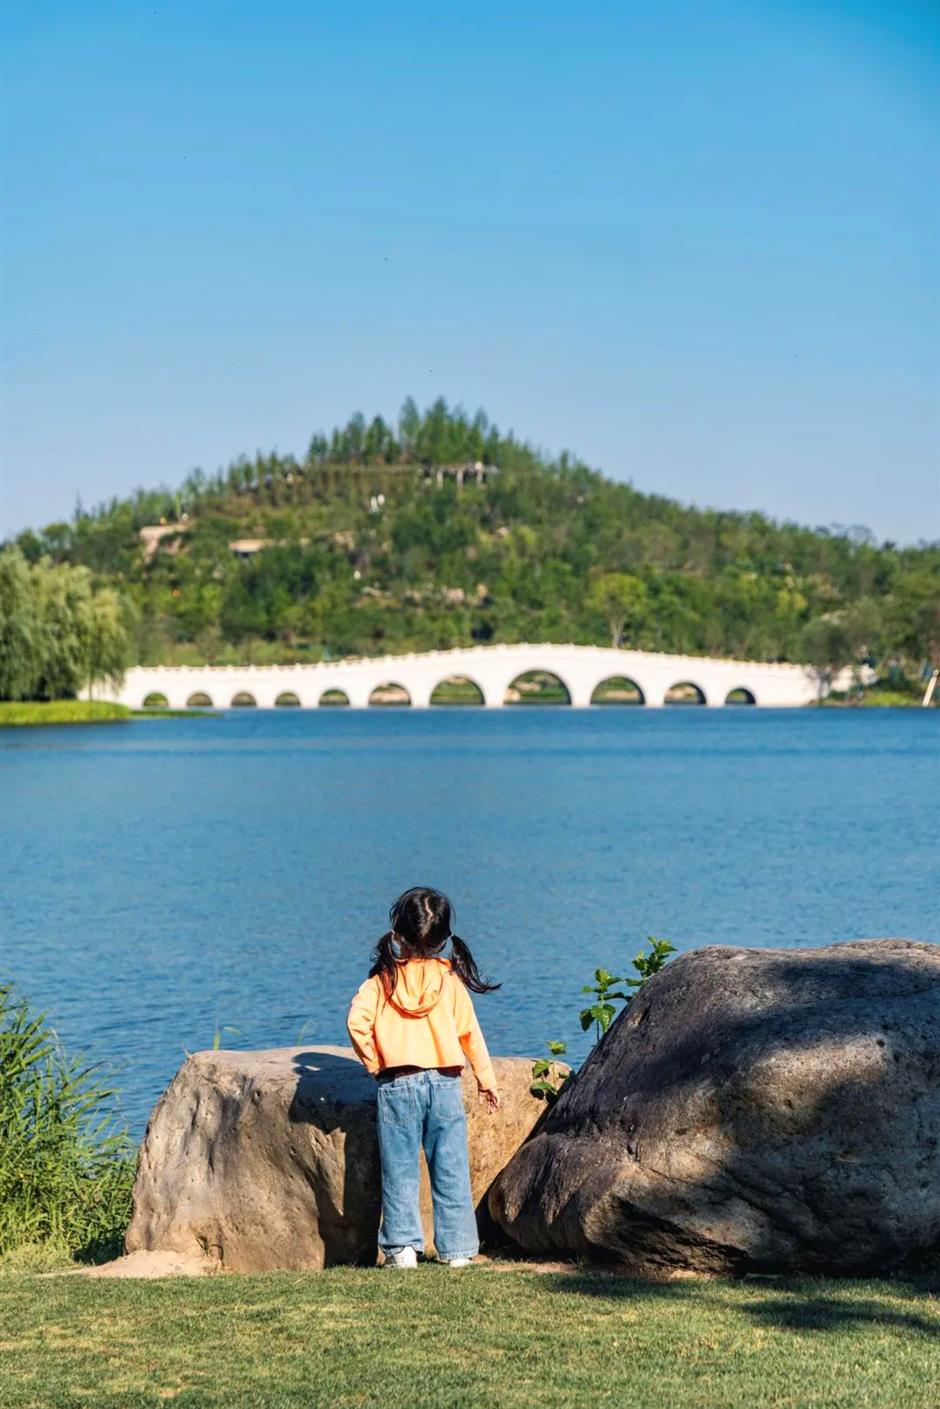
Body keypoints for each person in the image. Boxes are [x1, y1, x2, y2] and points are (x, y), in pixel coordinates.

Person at [347, 886, 501, 1269]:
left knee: (399, 1170)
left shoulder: (382, 981)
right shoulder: (450, 981)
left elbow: (356, 1022)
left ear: (397, 936)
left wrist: (374, 1061)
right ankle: (459, 1250)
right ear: (444, 941)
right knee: (450, 1168)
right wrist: (486, 1079)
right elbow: (471, 1035)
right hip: (445, 1083)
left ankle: (402, 1248)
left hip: (397, 1083)